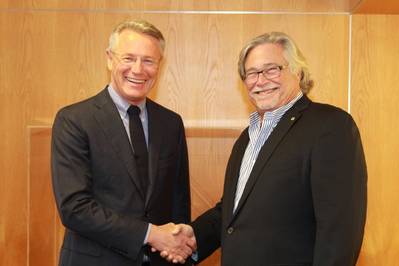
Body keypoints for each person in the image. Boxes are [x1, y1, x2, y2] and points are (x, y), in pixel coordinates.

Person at [163, 32, 367, 265]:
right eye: (251, 73)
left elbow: (340, 230)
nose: (260, 81)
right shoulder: (247, 137)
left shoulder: (330, 126)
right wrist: (194, 236)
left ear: (297, 72)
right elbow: (232, 212)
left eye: (271, 69)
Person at [51, 20, 195, 266]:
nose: (138, 70)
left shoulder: (171, 123)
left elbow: (178, 202)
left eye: (148, 60)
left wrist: (179, 247)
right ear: (109, 59)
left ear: (159, 65)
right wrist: (151, 234)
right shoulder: (74, 120)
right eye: (128, 58)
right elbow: (74, 208)